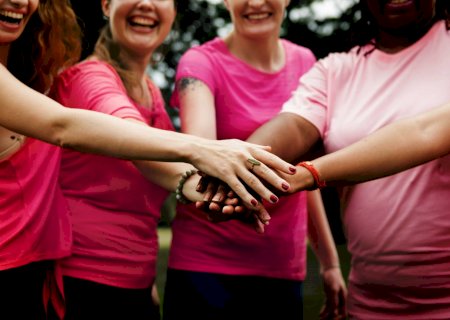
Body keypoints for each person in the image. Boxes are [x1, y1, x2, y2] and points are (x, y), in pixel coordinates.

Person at [0, 0, 296, 318]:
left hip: (117, 280)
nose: (147, 3)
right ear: (105, 5)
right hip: (77, 282)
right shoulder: (88, 79)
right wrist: (204, 150)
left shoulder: (149, 90)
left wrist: (217, 189)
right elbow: (78, 128)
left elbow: (163, 170)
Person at [239, 0, 450, 318]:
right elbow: (294, 125)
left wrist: (309, 173)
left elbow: (425, 132)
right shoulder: (336, 69)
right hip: (369, 301)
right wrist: (237, 167)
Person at [163, 1, 347, 319]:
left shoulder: (305, 61)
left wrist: (329, 263)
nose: (256, 2)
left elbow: (301, 174)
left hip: (281, 267)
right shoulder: (200, 62)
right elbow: (201, 153)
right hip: (205, 266)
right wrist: (233, 193)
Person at [287, 100, 450, 190]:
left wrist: (305, 175)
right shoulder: (337, 65)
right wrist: (260, 160)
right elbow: (296, 125)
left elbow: (424, 131)